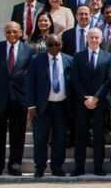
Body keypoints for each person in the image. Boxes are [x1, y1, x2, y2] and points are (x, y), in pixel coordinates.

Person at [0, 22, 34, 177]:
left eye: (14, 32)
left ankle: (15, 165)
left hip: (20, 99)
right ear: (4, 33)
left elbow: (31, 76)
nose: (12, 35)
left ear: (20, 33)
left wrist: (31, 100)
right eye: (8, 32)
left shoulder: (29, 50)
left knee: (18, 134)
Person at [25, 33, 73, 178]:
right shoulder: (36, 60)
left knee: (60, 138)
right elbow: (30, 83)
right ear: (45, 46)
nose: (53, 48)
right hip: (42, 107)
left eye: (56, 45)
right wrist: (31, 106)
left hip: (62, 106)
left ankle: (57, 167)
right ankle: (39, 167)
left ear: (61, 45)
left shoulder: (69, 60)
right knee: (40, 138)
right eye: (50, 45)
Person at [71, 27, 111, 177]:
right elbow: (75, 79)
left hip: (100, 103)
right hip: (82, 103)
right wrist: (86, 98)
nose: (94, 40)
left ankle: (98, 167)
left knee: (98, 136)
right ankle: (79, 167)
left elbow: (109, 80)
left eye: (97, 37)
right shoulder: (78, 56)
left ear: (102, 39)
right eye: (91, 37)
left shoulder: (108, 57)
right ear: (87, 39)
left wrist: (96, 98)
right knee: (80, 135)